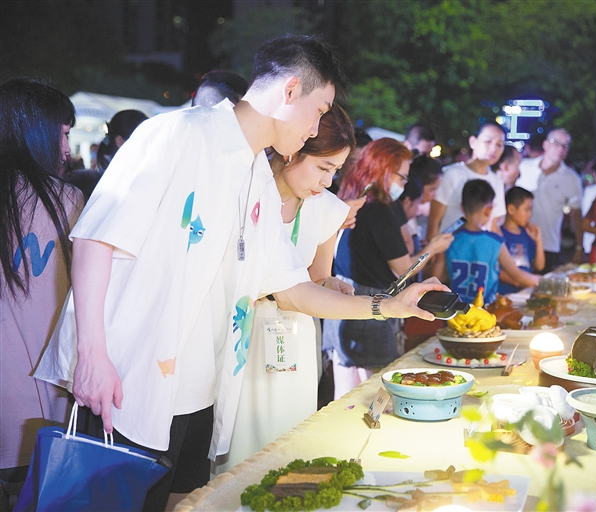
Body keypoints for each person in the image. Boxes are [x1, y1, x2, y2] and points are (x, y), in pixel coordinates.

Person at [34, 35, 447, 511]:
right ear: (290, 90)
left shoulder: (257, 178)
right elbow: (95, 238)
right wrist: (92, 355)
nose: (316, 129)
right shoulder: (177, 134)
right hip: (129, 382)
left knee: (187, 502)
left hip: (202, 391)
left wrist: (388, 306)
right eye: (319, 110)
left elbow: (292, 288)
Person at [214, 103, 356, 474]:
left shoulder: (327, 208)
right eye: (323, 168)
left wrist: (330, 284)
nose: (328, 182)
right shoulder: (245, 189)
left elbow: (316, 276)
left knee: (288, 442)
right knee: (237, 446)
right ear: (293, 149)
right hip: (240, 333)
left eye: (335, 171)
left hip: (294, 337)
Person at [0, 78, 85, 508]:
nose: (67, 149)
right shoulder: (66, 202)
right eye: (63, 133)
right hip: (38, 411)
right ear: (36, 132)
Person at [332, 138, 454, 398]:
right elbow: (404, 269)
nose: (404, 184)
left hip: (342, 307)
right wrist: (433, 248)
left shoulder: (354, 200)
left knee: (346, 394)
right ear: (383, 169)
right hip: (368, 311)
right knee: (377, 393)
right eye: (402, 177)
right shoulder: (379, 212)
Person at [445, 180, 540, 304]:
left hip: (456, 310)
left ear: (462, 207)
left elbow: (438, 275)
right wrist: (544, 280)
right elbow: (518, 276)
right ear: (489, 210)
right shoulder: (495, 242)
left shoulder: (449, 239)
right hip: (484, 311)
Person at [516, 128, 584, 272]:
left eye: (565, 146)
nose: (560, 149)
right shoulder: (524, 167)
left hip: (548, 245)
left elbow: (576, 215)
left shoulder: (572, 179)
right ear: (545, 144)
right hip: (518, 240)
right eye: (556, 143)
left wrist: (579, 247)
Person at [427, 121, 507, 239]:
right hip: (449, 246)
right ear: (473, 142)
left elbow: (493, 225)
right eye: (488, 141)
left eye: (499, 144)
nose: (494, 148)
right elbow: (434, 222)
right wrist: (432, 248)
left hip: (479, 248)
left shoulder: (497, 182)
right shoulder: (452, 174)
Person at [498, 187, 545, 294]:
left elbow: (539, 266)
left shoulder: (526, 234)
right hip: (506, 294)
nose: (529, 214)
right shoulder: (500, 235)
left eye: (530, 210)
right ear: (511, 209)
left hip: (525, 292)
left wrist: (538, 241)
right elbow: (497, 271)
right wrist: (518, 281)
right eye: (526, 209)